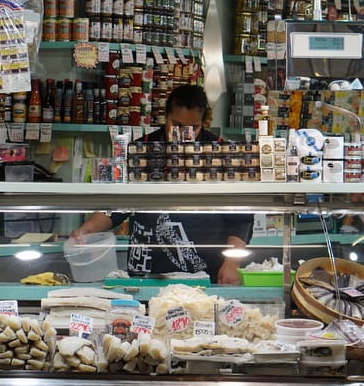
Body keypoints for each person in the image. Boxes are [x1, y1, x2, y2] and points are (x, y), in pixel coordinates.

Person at [73, 84, 254, 284]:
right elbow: (116, 204)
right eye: (175, 125)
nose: (184, 134)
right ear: (165, 117)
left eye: (192, 127)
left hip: (206, 275)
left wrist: (231, 264)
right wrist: (85, 231)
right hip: (146, 275)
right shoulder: (140, 151)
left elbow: (241, 218)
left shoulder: (223, 154)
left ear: (204, 122)